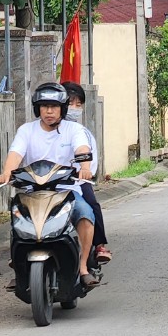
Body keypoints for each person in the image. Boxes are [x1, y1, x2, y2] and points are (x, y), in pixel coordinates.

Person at [0, 82, 99, 288]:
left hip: (66, 192)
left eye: (54, 106)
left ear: (63, 108)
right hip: (32, 193)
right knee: (17, 220)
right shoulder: (26, 130)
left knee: (86, 215)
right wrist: (7, 172)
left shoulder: (74, 129)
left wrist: (85, 167)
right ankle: (19, 267)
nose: (49, 111)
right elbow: (15, 154)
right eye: (44, 106)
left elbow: (82, 148)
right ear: (38, 109)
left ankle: (83, 268)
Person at [60, 81, 111, 265]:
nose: (74, 108)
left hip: (76, 182)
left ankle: (99, 245)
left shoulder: (81, 132)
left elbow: (90, 157)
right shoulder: (35, 129)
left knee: (91, 204)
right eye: (70, 103)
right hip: (47, 183)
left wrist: (85, 172)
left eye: (78, 104)